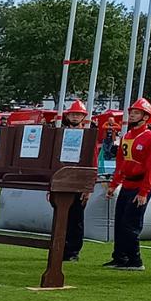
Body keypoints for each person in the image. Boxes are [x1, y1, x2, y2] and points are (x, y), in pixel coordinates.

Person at [104, 98, 151, 271]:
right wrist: (114, 184)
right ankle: (120, 257)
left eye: (136, 112)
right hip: (127, 184)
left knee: (131, 224)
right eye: (132, 112)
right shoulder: (127, 136)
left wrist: (144, 191)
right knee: (120, 221)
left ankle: (135, 260)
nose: (132, 115)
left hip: (139, 186)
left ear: (145, 117)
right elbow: (121, 163)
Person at [57, 100, 94, 261]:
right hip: (62, 181)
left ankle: (73, 251)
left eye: (77, 114)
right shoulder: (61, 135)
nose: (74, 117)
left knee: (76, 218)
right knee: (61, 217)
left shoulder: (88, 136)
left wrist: (88, 187)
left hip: (79, 183)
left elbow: (93, 162)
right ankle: (60, 247)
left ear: (83, 117)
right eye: (72, 114)